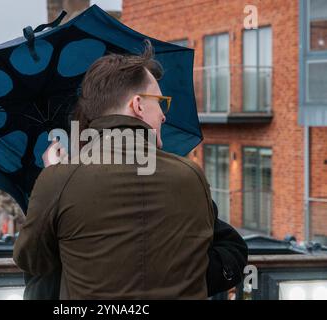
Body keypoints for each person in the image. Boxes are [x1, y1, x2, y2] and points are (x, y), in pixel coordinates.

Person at [13, 41, 247, 299]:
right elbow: (226, 249)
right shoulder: (190, 176)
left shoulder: (59, 179)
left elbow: (32, 262)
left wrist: (54, 180)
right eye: (160, 102)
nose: (164, 115)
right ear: (137, 105)